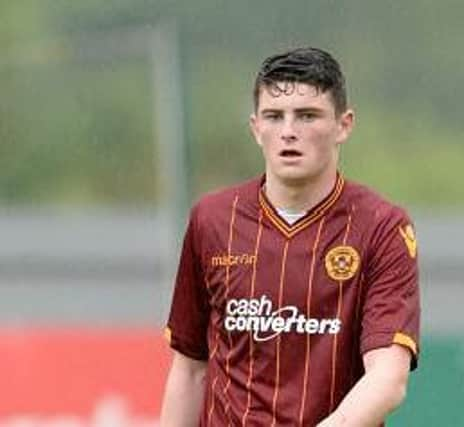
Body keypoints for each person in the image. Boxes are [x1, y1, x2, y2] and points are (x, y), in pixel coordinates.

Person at [160, 47, 420, 427]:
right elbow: (190, 370)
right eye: (274, 116)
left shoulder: (382, 226)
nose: (288, 131)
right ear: (255, 128)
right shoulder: (212, 221)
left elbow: (388, 377)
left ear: (343, 125)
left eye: (307, 115)